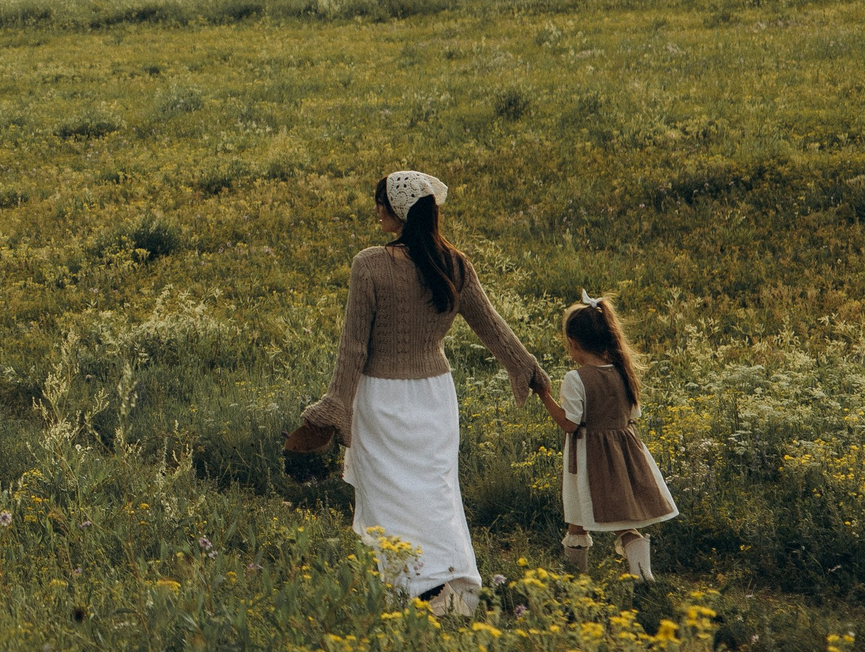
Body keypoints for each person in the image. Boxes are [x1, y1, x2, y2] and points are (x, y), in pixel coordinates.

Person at [285, 170, 551, 616]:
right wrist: (527, 368)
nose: (377, 210)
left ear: (399, 210)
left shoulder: (369, 264)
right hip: (434, 398)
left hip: (381, 399)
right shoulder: (454, 264)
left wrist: (335, 405)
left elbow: (354, 346)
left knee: (389, 497)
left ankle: (410, 589)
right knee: (436, 492)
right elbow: (493, 328)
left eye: (381, 203)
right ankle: (454, 586)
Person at [542, 294, 678, 582]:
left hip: (587, 459)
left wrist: (544, 395)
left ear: (574, 344)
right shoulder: (623, 372)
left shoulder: (576, 378)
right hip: (623, 455)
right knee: (622, 520)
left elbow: (569, 423)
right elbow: (633, 415)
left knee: (578, 520)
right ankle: (643, 575)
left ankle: (574, 580)